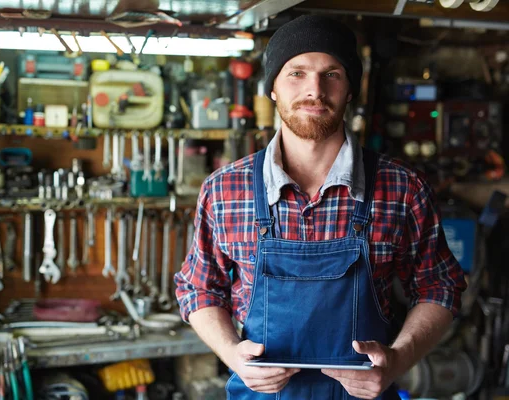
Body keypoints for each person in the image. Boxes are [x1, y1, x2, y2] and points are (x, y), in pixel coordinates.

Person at [174, 15, 467, 400]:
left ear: (350, 90)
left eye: (331, 74)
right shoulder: (225, 189)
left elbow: (439, 285)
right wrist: (232, 354)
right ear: (273, 89)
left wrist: (397, 360)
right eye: (296, 73)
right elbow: (199, 288)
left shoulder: (402, 188)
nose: (315, 90)